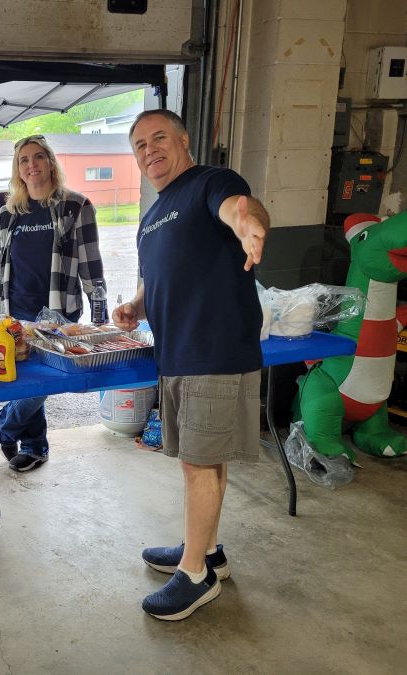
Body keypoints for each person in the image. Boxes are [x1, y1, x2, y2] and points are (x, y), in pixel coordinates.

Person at [113, 109, 269, 621]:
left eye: (159, 137)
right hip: (177, 353)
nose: (149, 149)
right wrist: (136, 306)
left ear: (183, 138)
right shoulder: (154, 212)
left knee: (198, 463)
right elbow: (156, 274)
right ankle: (206, 551)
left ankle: (194, 575)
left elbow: (238, 207)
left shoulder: (208, 181)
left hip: (213, 348)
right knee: (206, 458)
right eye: (139, 145)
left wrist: (248, 223)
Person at [0, 135, 105, 472]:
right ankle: (35, 446)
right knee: (26, 380)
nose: (31, 165)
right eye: (24, 160)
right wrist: (2, 269)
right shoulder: (10, 213)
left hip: (58, 312)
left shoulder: (75, 207)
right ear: (18, 169)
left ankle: (5, 426)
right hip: (16, 311)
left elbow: (91, 262)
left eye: (38, 157)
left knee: (45, 383)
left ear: (50, 162)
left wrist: (100, 314)